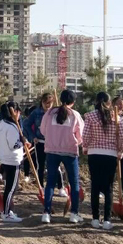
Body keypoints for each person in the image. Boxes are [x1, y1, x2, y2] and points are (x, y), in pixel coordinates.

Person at [39, 90, 84, 225]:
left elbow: (43, 130)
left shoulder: (49, 113)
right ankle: (74, 213)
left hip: (51, 150)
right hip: (69, 151)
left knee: (50, 183)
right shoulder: (75, 114)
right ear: (73, 102)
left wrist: (52, 138)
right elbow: (81, 135)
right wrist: (75, 142)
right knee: (74, 183)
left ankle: (46, 213)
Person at [82, 92, 123, 230]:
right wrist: (121, 151)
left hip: (94, 153)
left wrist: (85, 147)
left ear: (96, 101)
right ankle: (107, 220)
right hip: (110, 154)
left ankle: (95, 218)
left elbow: (85, 135)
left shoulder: (90, 116)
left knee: (95, 186)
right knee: (108, 188)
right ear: (109, 103)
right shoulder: (115, 116)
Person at [22, 93, 63, 193]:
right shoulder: (36, 113)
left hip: (53, 143)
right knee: (40, 166)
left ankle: (61, 187)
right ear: (42, 102)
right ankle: (41, 187)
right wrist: (33, 136)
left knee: (56, 166)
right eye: (46, 103)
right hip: (40, 142)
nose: (48, 105)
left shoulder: (56, 112)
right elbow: (26, 124)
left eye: (50, 103)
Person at [0, 101, 26, 223]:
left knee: (10, 186)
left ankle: (7, 211)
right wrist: (22, 142)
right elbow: (14, 145)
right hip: (13, 159)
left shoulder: (2, 124)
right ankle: (6, 213)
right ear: (16, 112)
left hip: (5, 157)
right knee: (12, 188)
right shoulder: (12, 127)